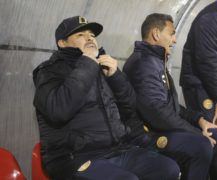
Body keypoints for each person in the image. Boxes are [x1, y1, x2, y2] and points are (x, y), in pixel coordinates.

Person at [32, 16, 180, 180]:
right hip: (73, 157)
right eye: (80, 35)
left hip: (116, 148)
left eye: (92, 35)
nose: (89, 38)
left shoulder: (103, 66)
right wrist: (87, 62)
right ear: (62, 43)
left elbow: (130, 108)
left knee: (168, 168)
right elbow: (58, 110)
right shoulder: (49, 71)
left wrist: (115, 76)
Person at [123, 13, 217, 180]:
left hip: (161, 128)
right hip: (146, 135)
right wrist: (195, 133)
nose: (174, 40)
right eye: (172, 33)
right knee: (200, 145)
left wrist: (200, 121)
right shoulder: (143, 64)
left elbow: (171, 106)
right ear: (156, 34)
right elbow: (157, 113)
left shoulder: (156, 61)